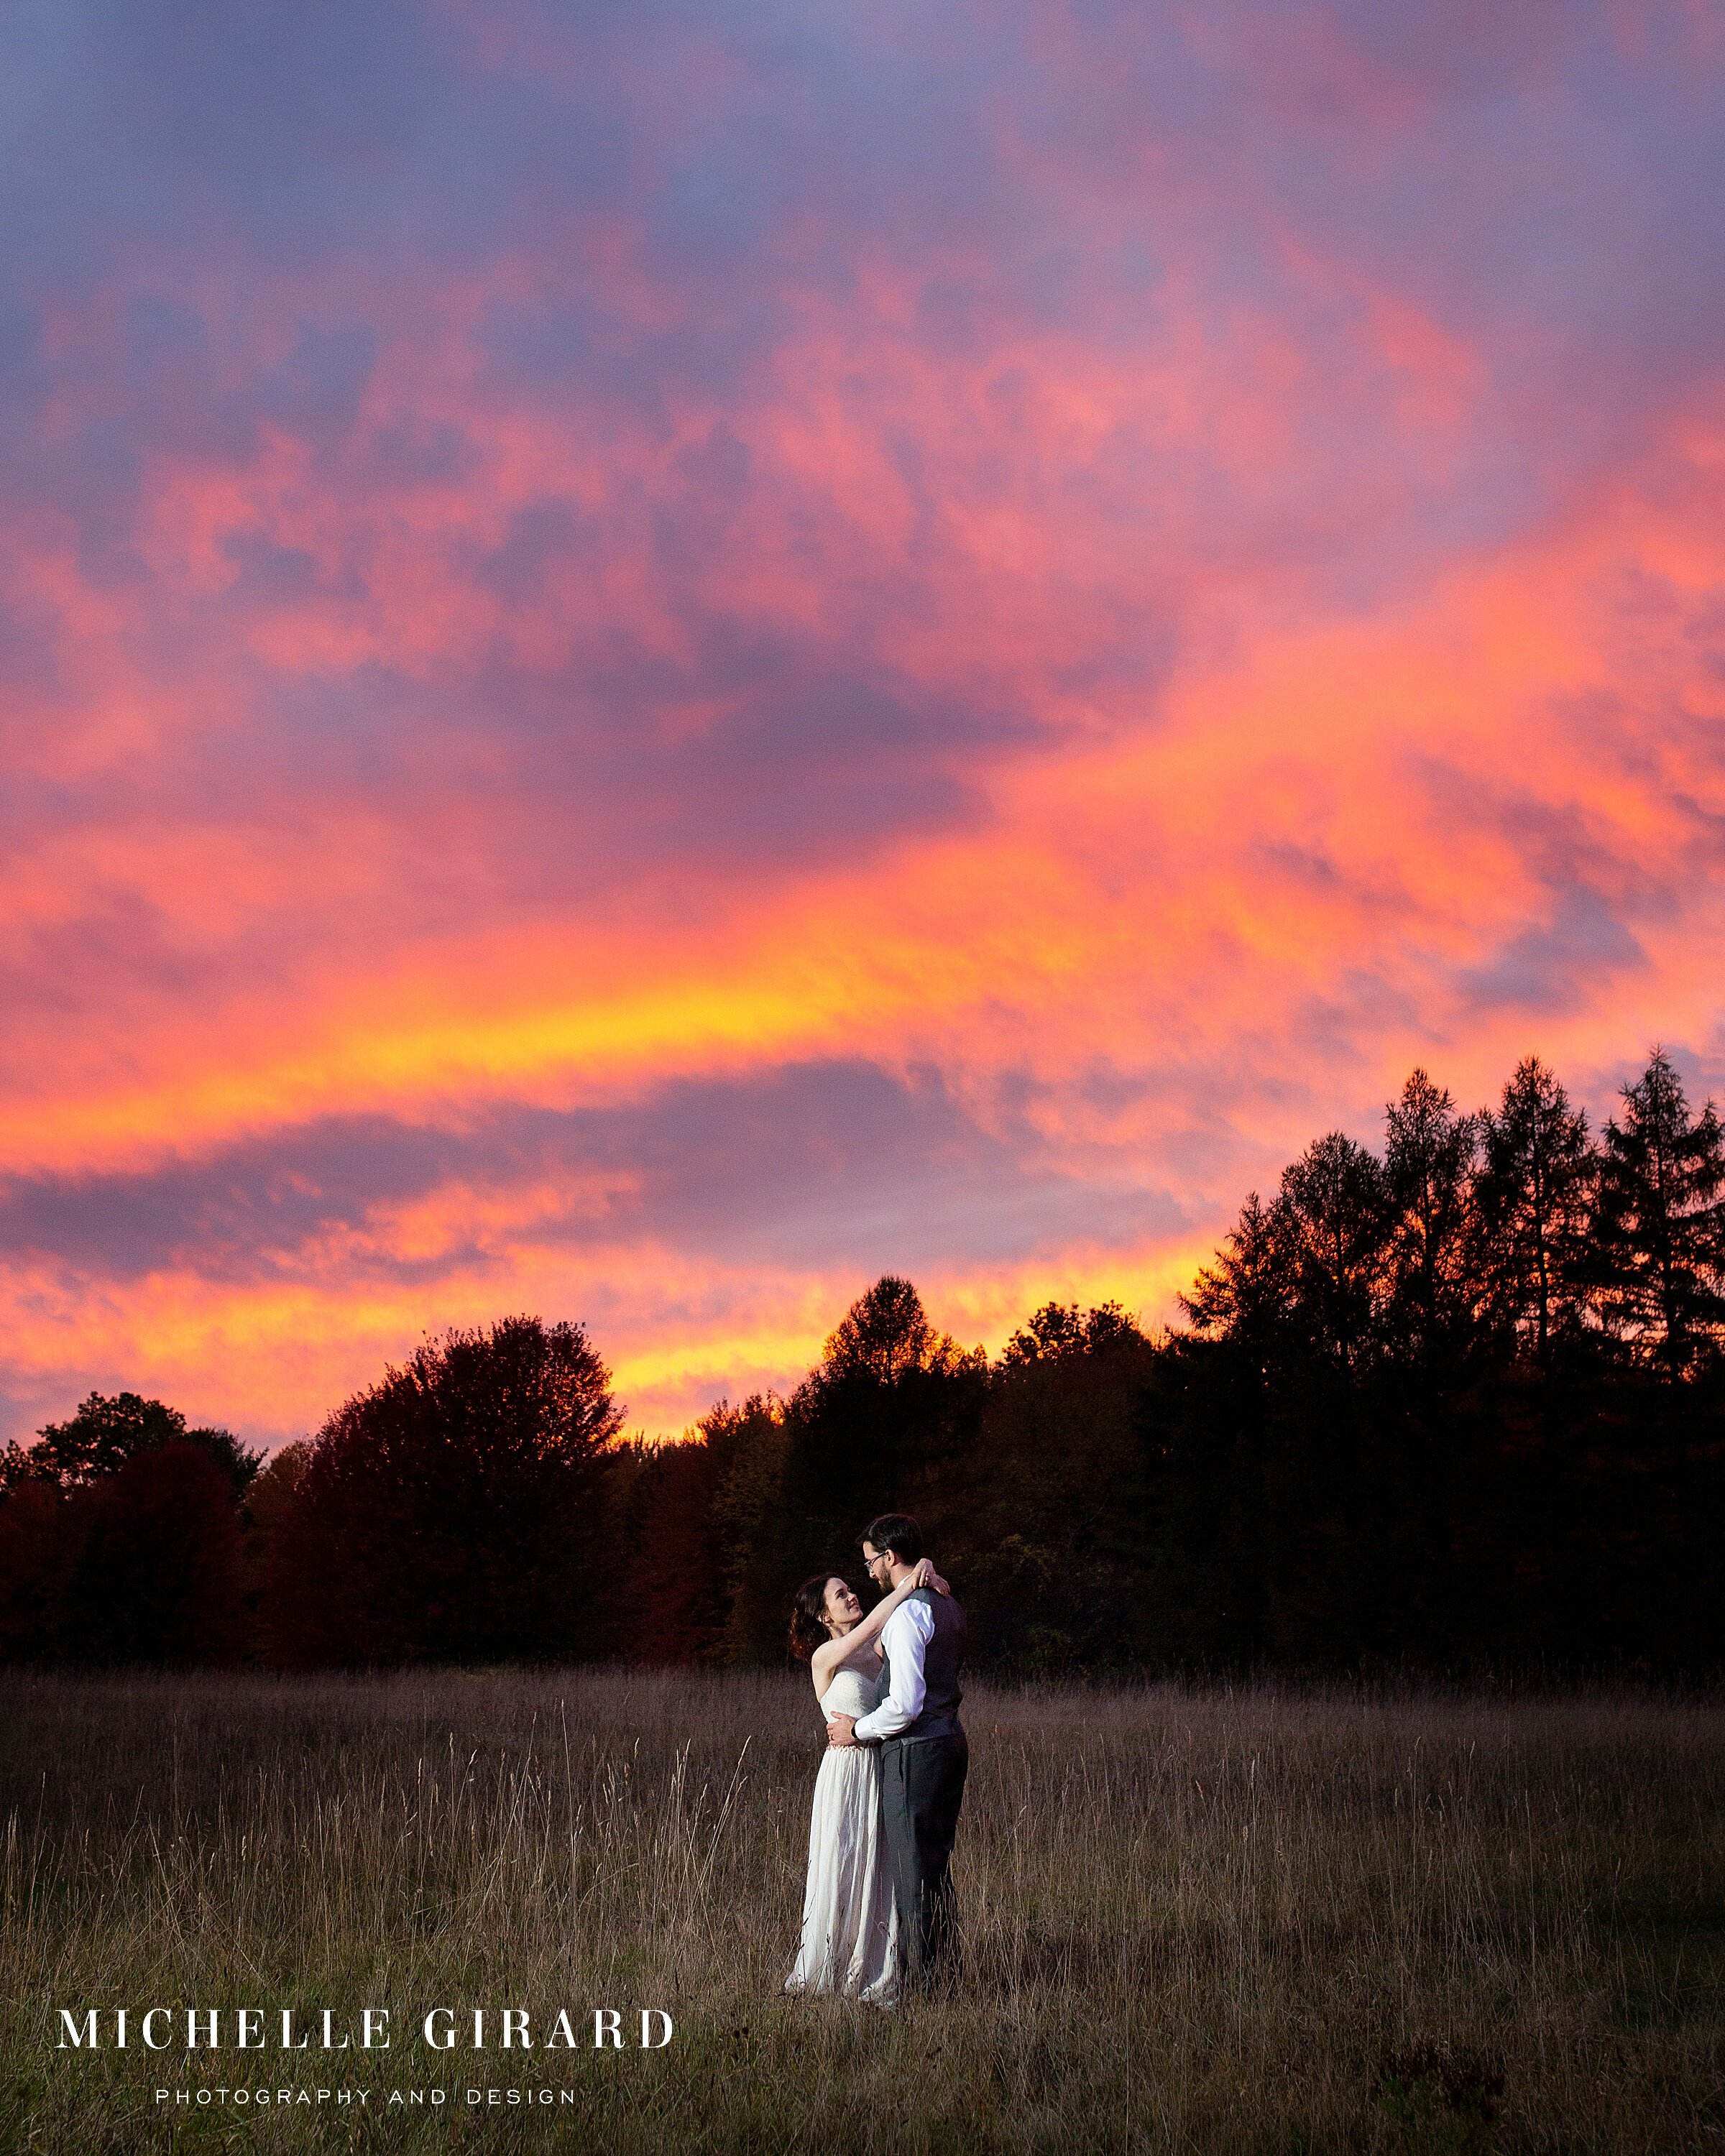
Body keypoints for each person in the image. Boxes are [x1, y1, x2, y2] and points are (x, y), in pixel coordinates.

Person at [783, 1554, 949, 2002]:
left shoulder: (876, 1651)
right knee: (842, 1862)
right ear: (823, 1615)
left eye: (851, 1588)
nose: (852, 1594)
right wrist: (906, 1585)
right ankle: (826, 1967)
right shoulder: (826, 1657)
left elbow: (903, 1630)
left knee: (880, 1866)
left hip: (881, 1763)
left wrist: (926, 1572)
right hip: (844, 1773)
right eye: (840, 1595)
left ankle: (877, 1964)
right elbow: (875, 1621)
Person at [825, 1513, 968, 1994]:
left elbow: (904, 1705)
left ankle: (921, 1985)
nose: (869, 1574)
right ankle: (944, 1974)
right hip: (950, 1741)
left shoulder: (909, 1615)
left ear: (890, 1558)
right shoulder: (947, 1605)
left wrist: (857, 1731)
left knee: (914, 1876)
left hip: (916, 1750)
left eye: (870, 1563)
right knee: (935, 1865)